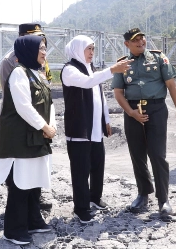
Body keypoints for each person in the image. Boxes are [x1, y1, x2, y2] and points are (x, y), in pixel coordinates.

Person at [111, 27, 176, 217]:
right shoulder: (122, 64)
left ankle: (163, 199)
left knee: (157, 155)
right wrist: (131, 112)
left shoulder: (159, 58)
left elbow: (171, 85)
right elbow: (118, 92)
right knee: (137, 155)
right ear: (127, 44)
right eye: (136, 40)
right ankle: (143, 194)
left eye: (142, 38)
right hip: (132, 111)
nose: (141, 42)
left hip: (156, 109)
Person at [60, 35, 132, 223]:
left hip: (94, 128)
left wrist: (106, 120)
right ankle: (81, 208)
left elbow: (100, 97)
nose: (92, 53)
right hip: (79, 129)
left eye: (93, 49)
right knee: (81, 170)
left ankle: (95, 197)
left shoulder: (91, 69)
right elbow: (87, 83)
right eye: (88, 49)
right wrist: (112, 70)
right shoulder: (69, 70)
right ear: (78, 49)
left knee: (98, 164)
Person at [0, 35, 57, 246]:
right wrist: (44, 126)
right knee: (20, 184)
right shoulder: (18, 74)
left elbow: (49, 103)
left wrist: (53, 124)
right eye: (40, 48)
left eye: (45, 48)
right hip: (20, 140)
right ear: (29, 51)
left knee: (34, 181)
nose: (44, 52)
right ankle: (13, 229)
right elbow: (23, 107)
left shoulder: (37, 74)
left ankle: (33, 220)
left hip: (36, 137)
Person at [0, 22, 54, 211]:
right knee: (20, 173)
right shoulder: (12, 63)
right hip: (21, 123)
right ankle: (18, 216)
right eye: (36, 38)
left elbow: (45, 89)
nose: (42, 45)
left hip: (37, 122)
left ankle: (33, 207)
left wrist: (48, 123)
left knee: (35, 166)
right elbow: (15, 98)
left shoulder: (37, 62)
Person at [0, 23, 52, 90]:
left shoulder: (41, 57)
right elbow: (7, 90)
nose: (38, 41)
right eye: (34, 38)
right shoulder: (9, 61)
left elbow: (47, 82)